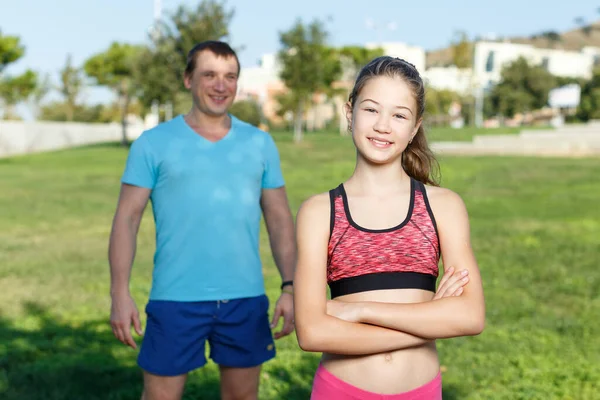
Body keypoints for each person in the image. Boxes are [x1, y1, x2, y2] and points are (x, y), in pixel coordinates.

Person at [108, 40, 297, 400]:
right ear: (187, 80)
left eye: (230, 76)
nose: (221, 85)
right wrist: (119, 292)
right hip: (174, 298)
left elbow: (279, 220)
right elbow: (126, 220)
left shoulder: (259, 144)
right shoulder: (153, 143)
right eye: (209, 75)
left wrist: (289, 286)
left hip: (245, 298)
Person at [293, 56, 486, 399]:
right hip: (341, 390)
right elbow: (311, 331)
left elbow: (470, 315)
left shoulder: (443, 206)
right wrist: (429, 323)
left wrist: (360, 310)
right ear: (349, 112)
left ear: (414, 128)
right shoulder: (319, 212)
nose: (383, 126)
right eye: (371, 110)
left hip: (421, 391)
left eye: (399, 115)